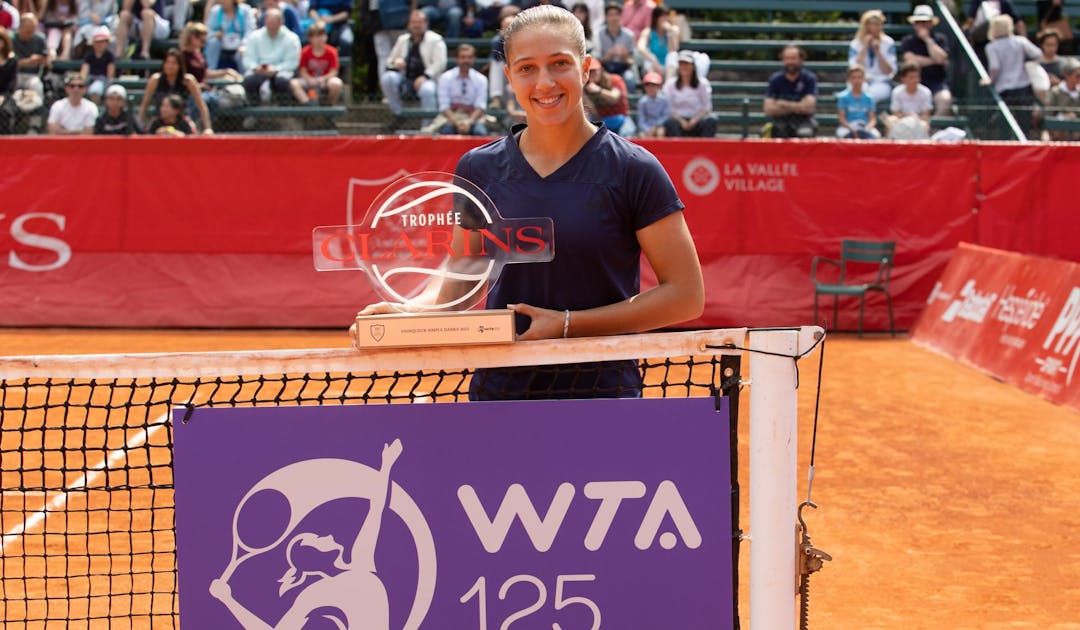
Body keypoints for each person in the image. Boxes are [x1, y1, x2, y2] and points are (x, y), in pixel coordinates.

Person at [361, 5, 704, 400]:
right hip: (501, 391)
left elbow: (685, 295)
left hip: (604, 394)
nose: (544, 82)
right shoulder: (478, 168)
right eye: (526, 68)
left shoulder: (634, 169)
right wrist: (414, 313)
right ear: (509, 77)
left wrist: (568, 324)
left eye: (559, 63)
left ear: (586, 67)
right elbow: (464, 268)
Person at [211, 440, 403, 630]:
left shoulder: (361, 563)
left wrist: (386, 466)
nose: (328, 536)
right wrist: (228, 600)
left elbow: (376, 509)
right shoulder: (315, 594)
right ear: (315, 557)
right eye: (319, 541)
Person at [983, 14, 1041, 136]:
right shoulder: (1020, 41)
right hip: (1024, 87)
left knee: (1004, 122)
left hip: (1005, 89)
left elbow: (995, 67)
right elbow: (1038, 54)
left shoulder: (991, 47)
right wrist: (1027, 62)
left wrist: (991, 80)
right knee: (1024, 122)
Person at [380, 10, 445, 116]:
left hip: (428, 80)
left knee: (427, 90)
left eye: (419, 22)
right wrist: (396, 63)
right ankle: (398, 114)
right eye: (413, 22)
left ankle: (427, 126)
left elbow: (440, 63)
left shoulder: (436, 40)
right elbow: (389, 62)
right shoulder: (403, 40)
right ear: (409, 24)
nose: (416, 25)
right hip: (406, 78)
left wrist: (425, 76)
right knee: (387, 78)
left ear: (425, 23)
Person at [137, 47, 212, 132]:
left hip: (182, 122)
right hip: (160, 123)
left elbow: (201, 105)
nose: (170, 66)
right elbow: (144, 105)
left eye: (174, 63)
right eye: (167, 62)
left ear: (180, 65)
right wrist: (138, 125)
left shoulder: (188, 81)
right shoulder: (155, 80)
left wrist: (208, 128)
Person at [900, 5, 953, 116]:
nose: (923, 25)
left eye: (926, 21)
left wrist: (928, 40)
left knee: (945, 100)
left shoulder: (940, 39)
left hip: (936, 82)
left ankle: (933, 129)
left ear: (931, 23)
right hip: (914, 82)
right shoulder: (908, 41)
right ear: (914, 24)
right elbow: (911, 61)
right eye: (919, 22)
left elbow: (942, 58)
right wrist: (934, 60)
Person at [242, 8, 301, 105]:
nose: (272, 26)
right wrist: (256, 67)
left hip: (282, 72)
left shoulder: (292, 38)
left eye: (274, 23)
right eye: (269, 23)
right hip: (259, 71)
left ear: (281, 22)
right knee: (249, 80)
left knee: (282, 81)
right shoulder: (254, 36)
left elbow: (292, 62)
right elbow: (248, 59)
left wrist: (276, 69)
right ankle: (254, 112)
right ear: (265, 21)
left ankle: (284, 113)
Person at [763, 44, 817, 138]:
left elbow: (809, 108)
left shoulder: (809, 78)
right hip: (780, 121)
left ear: (801, 60)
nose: (790, 62)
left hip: (803, 121)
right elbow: (768, 109)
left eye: (793, 58)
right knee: (771, 132)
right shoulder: (775, 79)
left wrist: (782, 104)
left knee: (805, 134)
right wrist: (798, 106)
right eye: (787, 58)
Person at [434, 43, 487, 135]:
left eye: (469, 57)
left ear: (474, 59)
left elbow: (480, 106)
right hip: (451, 116)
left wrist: (468, 122)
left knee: (480, 132)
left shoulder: (481, 79)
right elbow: (444, 106)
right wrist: (457, 123)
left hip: (472, 117)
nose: (466, 60)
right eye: (463, 57)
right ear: (457, 59)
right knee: (447, 132)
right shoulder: (446, 77)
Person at [848, 9, 896, 105]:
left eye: (878, 24)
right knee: (857, 92)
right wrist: (864, 47)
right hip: (860, 81)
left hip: (881, 82)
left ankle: (863, 119)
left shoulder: (888, 43)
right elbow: (853, 67)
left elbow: (889, 71)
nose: (876, 27)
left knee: (869, 96)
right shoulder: (856, 44)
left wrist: (878, 52)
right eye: (873, 24)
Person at [291, 20, 343, 105]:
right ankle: (308, 104)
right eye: (317, 36)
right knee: (294, 83)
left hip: (326, 80)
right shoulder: (305, 51)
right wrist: (310, 80)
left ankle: (329, 107)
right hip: (309, 79)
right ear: (310, 38)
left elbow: (334, 71)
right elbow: (303, 71)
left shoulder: (332, 51)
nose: (321, 38)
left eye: (323, 35)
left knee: (336, 83)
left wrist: (323, 79)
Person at [885, 62, 933, 139]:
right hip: (901, 121)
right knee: (890, 120)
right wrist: (908, 116)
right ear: (903, 79)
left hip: (919, 121)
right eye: (911, 77)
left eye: (917, 77)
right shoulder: (897, 91)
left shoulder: (926, 92)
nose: (915, 80)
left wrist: (916, 118)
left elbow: (926, 115)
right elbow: (895, 113)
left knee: (925, 125)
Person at [204, 0, 255, 72]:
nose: (222, 1)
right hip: (221, 46)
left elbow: (250, 31)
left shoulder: (245, 10)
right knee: (213, 42)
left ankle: (246, 75)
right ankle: (210, 71)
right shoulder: (215, 11)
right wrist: (215, 34)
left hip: (240, 45)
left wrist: (244, 44)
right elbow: (207, 31)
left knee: (243, 52)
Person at [584, 54, 629, 133]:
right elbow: (593, 112)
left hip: (621, 119)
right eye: (589, 72)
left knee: (627, 133)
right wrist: (583, 93)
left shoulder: (614, 79)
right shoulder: (584, 87)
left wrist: (599, 90)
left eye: (594, 71)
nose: (592, 74)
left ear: (601, 70)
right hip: (601, 121)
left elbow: (615, 97)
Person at [597, 2, 635, 89]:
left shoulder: (629, 35)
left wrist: (625, 56)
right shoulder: (598, 34)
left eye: (616, 14)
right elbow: (596, 60)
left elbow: (632, 62)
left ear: (621, 16)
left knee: (630, 78)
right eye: (611, 15)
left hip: (623, 67)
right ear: (606, 17)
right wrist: (609, 56)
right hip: (604, 68)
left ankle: (628, 102)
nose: (614, 18)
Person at [836, 64, 880, 139]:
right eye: (854, 78)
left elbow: (872, 118)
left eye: (859, 77)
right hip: (848, 127)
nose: (857, 80)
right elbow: (842, 118)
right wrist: (851, 128)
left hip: (865, 125)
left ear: (864, 79)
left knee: (876, 136)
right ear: (849, 80)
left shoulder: (869, 98)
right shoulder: (843, 97)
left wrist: (867, 128)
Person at [636, 4, 677, 77]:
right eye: (662, 16)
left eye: (666, 16)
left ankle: (667, 85)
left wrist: (670, 33)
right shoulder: (648, 32)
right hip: (652, 65)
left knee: (673, 56)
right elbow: (640, 47)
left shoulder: (671, 32)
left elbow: (673, 50)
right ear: (656, 18)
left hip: (667, 67)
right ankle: (653, 84)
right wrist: (653, 59)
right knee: (649, 63)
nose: (665, 19)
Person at [1046, 56, 1080, 139]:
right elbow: (1049, 114)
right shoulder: (1056, 92)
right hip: (1060, 128)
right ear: (1067, 76)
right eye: (1078, 75)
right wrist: (1063, 117)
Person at [79, 26, 114, 103]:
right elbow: (84, 71)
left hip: (102, 81)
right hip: (90, 80)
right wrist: (82, 81)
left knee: (95, 90)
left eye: (102, 42)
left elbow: (110, 74)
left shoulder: (109, 56)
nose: (100, 44)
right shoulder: (89, 56)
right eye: (98, 42)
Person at [635, 70, 666, 137]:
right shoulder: (642, 102)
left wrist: (656, 126)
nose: (650, 88)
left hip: (660, 126)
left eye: (654, 85)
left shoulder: (664, 100)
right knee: (642, 135)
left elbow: (665, 116)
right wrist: (647, 129)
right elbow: (641, 120)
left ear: (659, 87)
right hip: (646, 127)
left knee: (661, 132)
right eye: (647, 85)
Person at [0, 26, 16, 133]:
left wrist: (2, 97)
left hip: (5, 95)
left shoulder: (12, 61)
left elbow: (12, 83)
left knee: (4, 112)